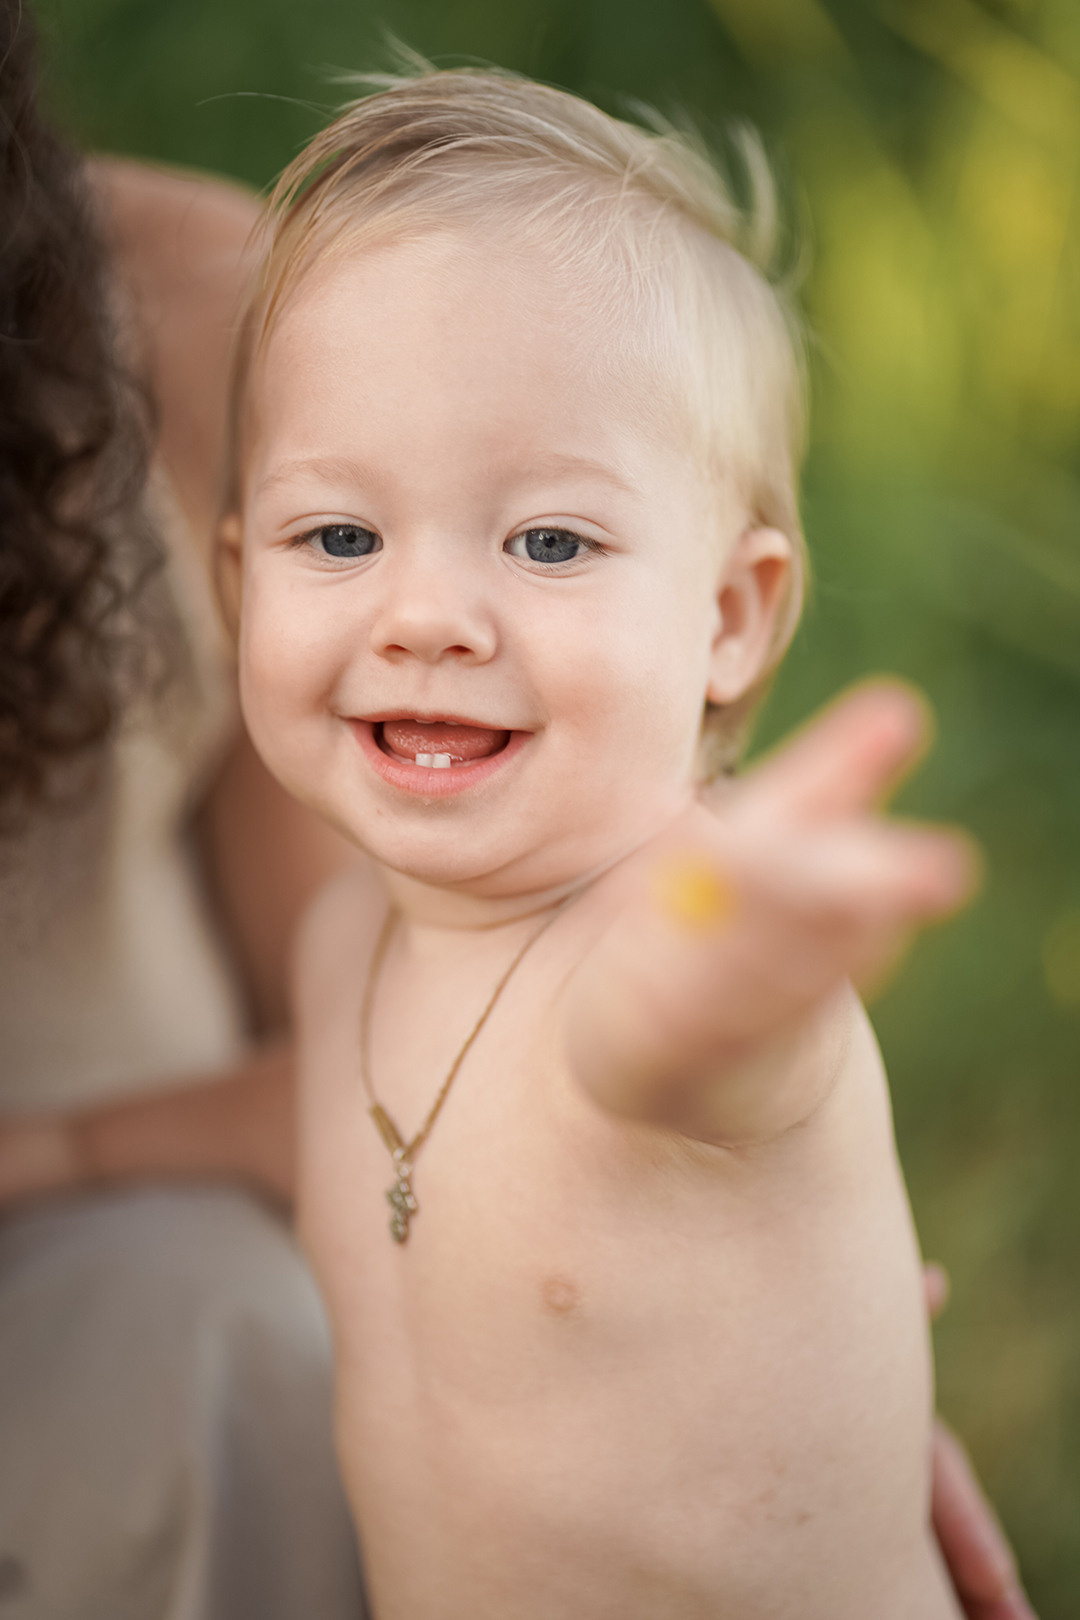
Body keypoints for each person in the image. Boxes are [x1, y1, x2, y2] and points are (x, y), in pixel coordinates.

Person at [216, 66, 1036, 1619]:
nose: (428, 616)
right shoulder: (349, 937)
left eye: (548, 541)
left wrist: (744, 945)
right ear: (232, 576)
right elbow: (311, 1112)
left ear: (728, 618)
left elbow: (659, 1036)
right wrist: (61, 1148)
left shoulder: (671, 982)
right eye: (341, 535)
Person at [0, 4, 365, 1615]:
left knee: (227, 1338)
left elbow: (393, 1063)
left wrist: (751, 1353)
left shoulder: (190, 318)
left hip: (103, 1285)